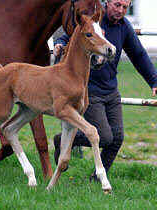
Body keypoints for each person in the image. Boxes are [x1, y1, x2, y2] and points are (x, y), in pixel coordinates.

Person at [53, 0, 157, 181]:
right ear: (107, 2)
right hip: (89, 90)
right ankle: (62, 140)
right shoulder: (94, 23)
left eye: (125, 7)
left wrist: (154, 81)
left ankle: (97, 178)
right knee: (105, 137)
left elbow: (139, 54)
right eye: (117, 5)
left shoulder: (124, 27)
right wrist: (61, 42)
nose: (121, 10)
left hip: (111, 90)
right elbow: (72, 35)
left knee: (117, 138)